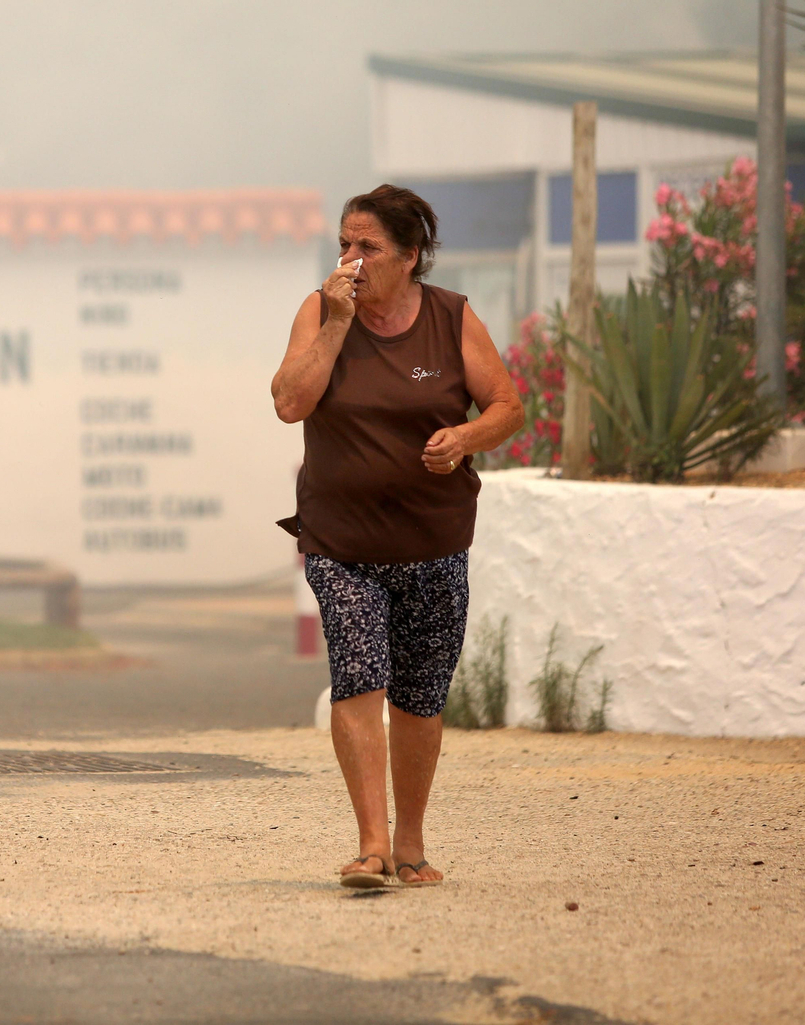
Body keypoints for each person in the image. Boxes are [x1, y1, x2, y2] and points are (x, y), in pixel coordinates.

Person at [271, 184, 524, 889]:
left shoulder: (451, 318)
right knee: (359, 674)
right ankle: (372, 845)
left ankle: (410, 843)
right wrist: (336, 325)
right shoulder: (321, 310)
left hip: (434, 541)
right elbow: (289, 401)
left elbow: (508, 405)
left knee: (420, 694)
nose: (351, 259)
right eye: (345, 244)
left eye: (369, 247)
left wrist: (467, 436)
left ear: (411, 257)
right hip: (341, 541)